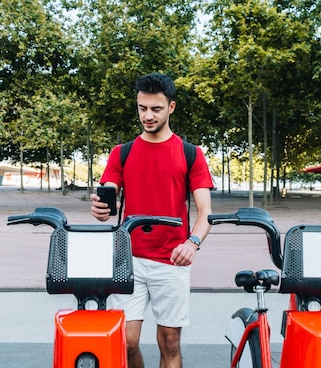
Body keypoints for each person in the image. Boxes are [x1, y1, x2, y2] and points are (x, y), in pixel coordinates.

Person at [90, 73, 213, 368]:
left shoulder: (191, 154)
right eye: (142, 108)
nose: (147, 115)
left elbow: (205, 214)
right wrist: (100, 208)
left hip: (172, 260)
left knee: (170, 343)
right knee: (126, 342)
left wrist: (193, 243)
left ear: (171, 107)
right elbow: (108, 195)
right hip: (129, 259)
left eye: (155, 109)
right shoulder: (122, 153)